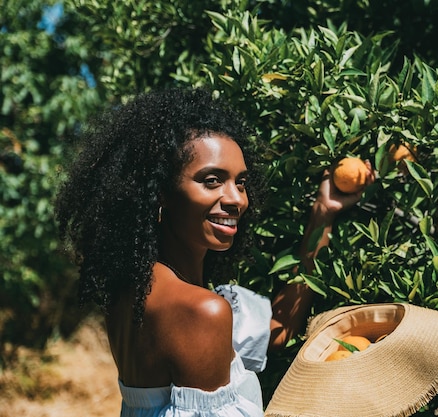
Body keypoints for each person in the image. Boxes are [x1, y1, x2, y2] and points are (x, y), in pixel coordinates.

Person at [54, 87, 374, 417]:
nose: (236, 199)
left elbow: (277, 328)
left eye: (241, 182)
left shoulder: (133, 292)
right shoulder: (200, 311)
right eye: (211, 180)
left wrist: (324, 213)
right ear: (159, 193)